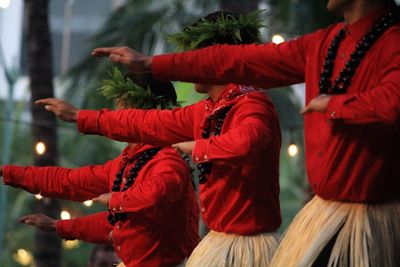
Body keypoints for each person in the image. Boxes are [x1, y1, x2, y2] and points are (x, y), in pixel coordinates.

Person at [90, 0, 400, 266]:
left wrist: (336, 104)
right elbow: (234, 62)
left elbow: (393, 100)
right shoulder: (326, 42)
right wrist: (86, 114)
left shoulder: (251, 105)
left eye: (194, 52)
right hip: (315, 219)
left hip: (362, 223)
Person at [37, 11, 282, 267]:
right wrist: (80, 116)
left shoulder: (252, 105)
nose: (188, 65)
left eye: (194, 57)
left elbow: (249, 140)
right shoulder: (208, 110)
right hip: (220, 244)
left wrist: (200, 147)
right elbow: (147, 123)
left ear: (216, 58)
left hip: (248, 249)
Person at [1, 69, 199, 267]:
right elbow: (69, 181)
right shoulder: (127, 164)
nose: (114, 113)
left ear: (135, 113)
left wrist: (115, 199)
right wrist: (7, 172)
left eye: (120, 105)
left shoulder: (168, 162)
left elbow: (155, 193)